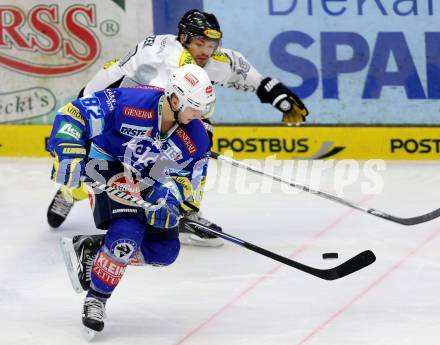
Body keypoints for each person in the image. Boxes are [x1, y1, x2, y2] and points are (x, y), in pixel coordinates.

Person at [47, 9, 308, 247]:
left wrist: (279, 97)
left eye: (211, 45)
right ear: (183, 38)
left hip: (148, 111)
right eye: (199, 44)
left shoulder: (212, 59)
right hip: (108, 107)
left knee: (199, 136)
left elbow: (249, 76)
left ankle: (187, 210)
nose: (206, 51)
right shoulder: (164, 58)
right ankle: (70, 192)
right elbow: (156, 107)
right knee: (111, 169)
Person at [48, 64, 216, 336]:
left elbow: (189, 179)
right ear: (174, 98)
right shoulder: (131, 101)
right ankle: (96, 299)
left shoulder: (196, 135)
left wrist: (171, 197)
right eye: (194, 106)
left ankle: (96, 250)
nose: (199, 115)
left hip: (150, 178)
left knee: (166, 251)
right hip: (107, 163)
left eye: (203, 107)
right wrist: (69, 146)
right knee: (127, 234)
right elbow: (74, 112)